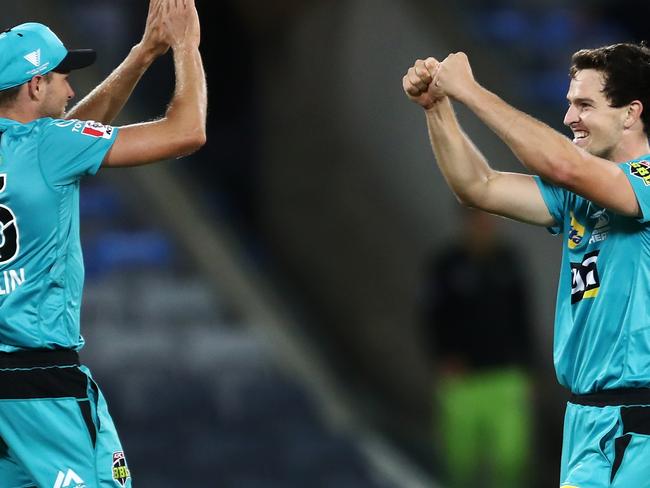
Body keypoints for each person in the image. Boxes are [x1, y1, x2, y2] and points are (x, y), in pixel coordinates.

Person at [403, 42, 650, 487]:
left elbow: (562, 164)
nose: (570, 117)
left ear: (630, 113)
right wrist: (438, 107)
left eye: (584, 105)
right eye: (569, 103)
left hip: (636, 420)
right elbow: (480, 186)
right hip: (588, 418)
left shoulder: (645, 180)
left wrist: (471, 91)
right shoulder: (580, 196)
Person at [0, 0, 206, 486]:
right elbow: (186, 131)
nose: (71, 89)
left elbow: (66, 138)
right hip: (43, 384)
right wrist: (184, 45)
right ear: (35, 85)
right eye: (61, 77)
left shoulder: (37, 147)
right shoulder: (50, 146)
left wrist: (140, 55)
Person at [421, 207, 534, 488]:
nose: (484, 225)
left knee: (511, 459)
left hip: (505, 378)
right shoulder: (446, 265)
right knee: (460, 464)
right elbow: (431, 316)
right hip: (463, 381)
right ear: (466, 221)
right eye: (477, 218)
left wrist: (528, 368)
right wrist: (442, 358)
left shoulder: (509, 262)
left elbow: (523, 317)